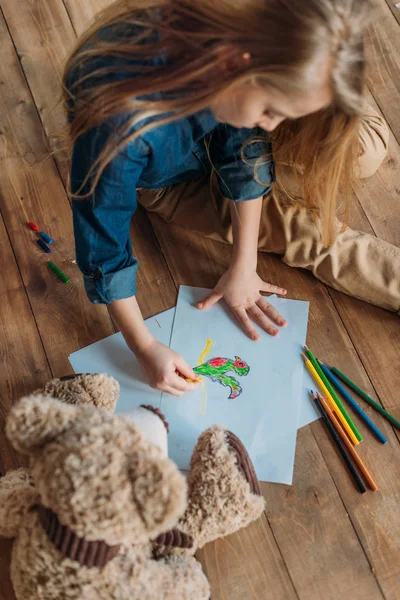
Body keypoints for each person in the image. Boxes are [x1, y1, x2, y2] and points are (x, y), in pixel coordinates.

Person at [63, 0, 399, 397]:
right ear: (235, 64)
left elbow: (246, 147)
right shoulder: (120, 131)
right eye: (272, 111)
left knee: (364, 150)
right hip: (172, 183)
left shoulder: (239, 58)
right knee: (306, 233)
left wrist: (245, 263)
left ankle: (303, 103)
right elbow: (104, 249)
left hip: (228, 124)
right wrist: (144, 345)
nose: (275, 126)